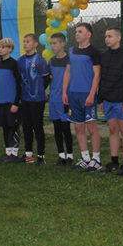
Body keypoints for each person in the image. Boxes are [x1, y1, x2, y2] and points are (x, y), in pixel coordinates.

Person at [62, 23, 103, 171]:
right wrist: (64, 92)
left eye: (80, 31)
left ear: (88, 34)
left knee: (91, 127)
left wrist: (92, 94)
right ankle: (85, 158)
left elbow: (97, 75)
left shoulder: (94, 52)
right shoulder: (71, 51)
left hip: (87, 94)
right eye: (76, 31)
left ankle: (96, 159)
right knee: (78, 127)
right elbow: (67, 72)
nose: (77, 34)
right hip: (73, 94)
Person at [99, 27, 123, 174]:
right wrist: (100, 99)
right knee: (112, 129)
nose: (107, 39)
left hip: (121, 100)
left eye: (110, 36)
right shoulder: (104, 56)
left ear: (118, 38)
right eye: (106, 36)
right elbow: (102, 78)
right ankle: (114, 161)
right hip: (107, 100)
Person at [18, 33, 50, 165]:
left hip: (37, 99)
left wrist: (39, 90)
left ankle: (41, 156)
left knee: (37, 126)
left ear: (35, 44)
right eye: (24, 41)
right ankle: (28, 154)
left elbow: (46, 79)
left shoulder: (40, 60)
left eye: (28, 41)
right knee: (26, 126)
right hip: (25, 98)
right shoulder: (20, 60)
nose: (25, 44)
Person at [47, 33, 73, 166]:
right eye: (51, 44)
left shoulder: (70, 60)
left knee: (65, 128)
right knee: (57, 128)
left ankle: (70, 156)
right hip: (53, 99)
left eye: (55, 43)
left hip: (65, 99)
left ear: (63, 44)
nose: (52, 46)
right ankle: (61, 156)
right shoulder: (51, 61)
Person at [0, 38, 22, 162]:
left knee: (13, 126)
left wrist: (16, 103)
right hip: (0, 101)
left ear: (10, 49)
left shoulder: (14, 64)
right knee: (5, 126)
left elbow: (19, 85)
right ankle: (7, 152)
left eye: (3, 47)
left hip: (11, 101)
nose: (0, 49)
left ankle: (14, 154)